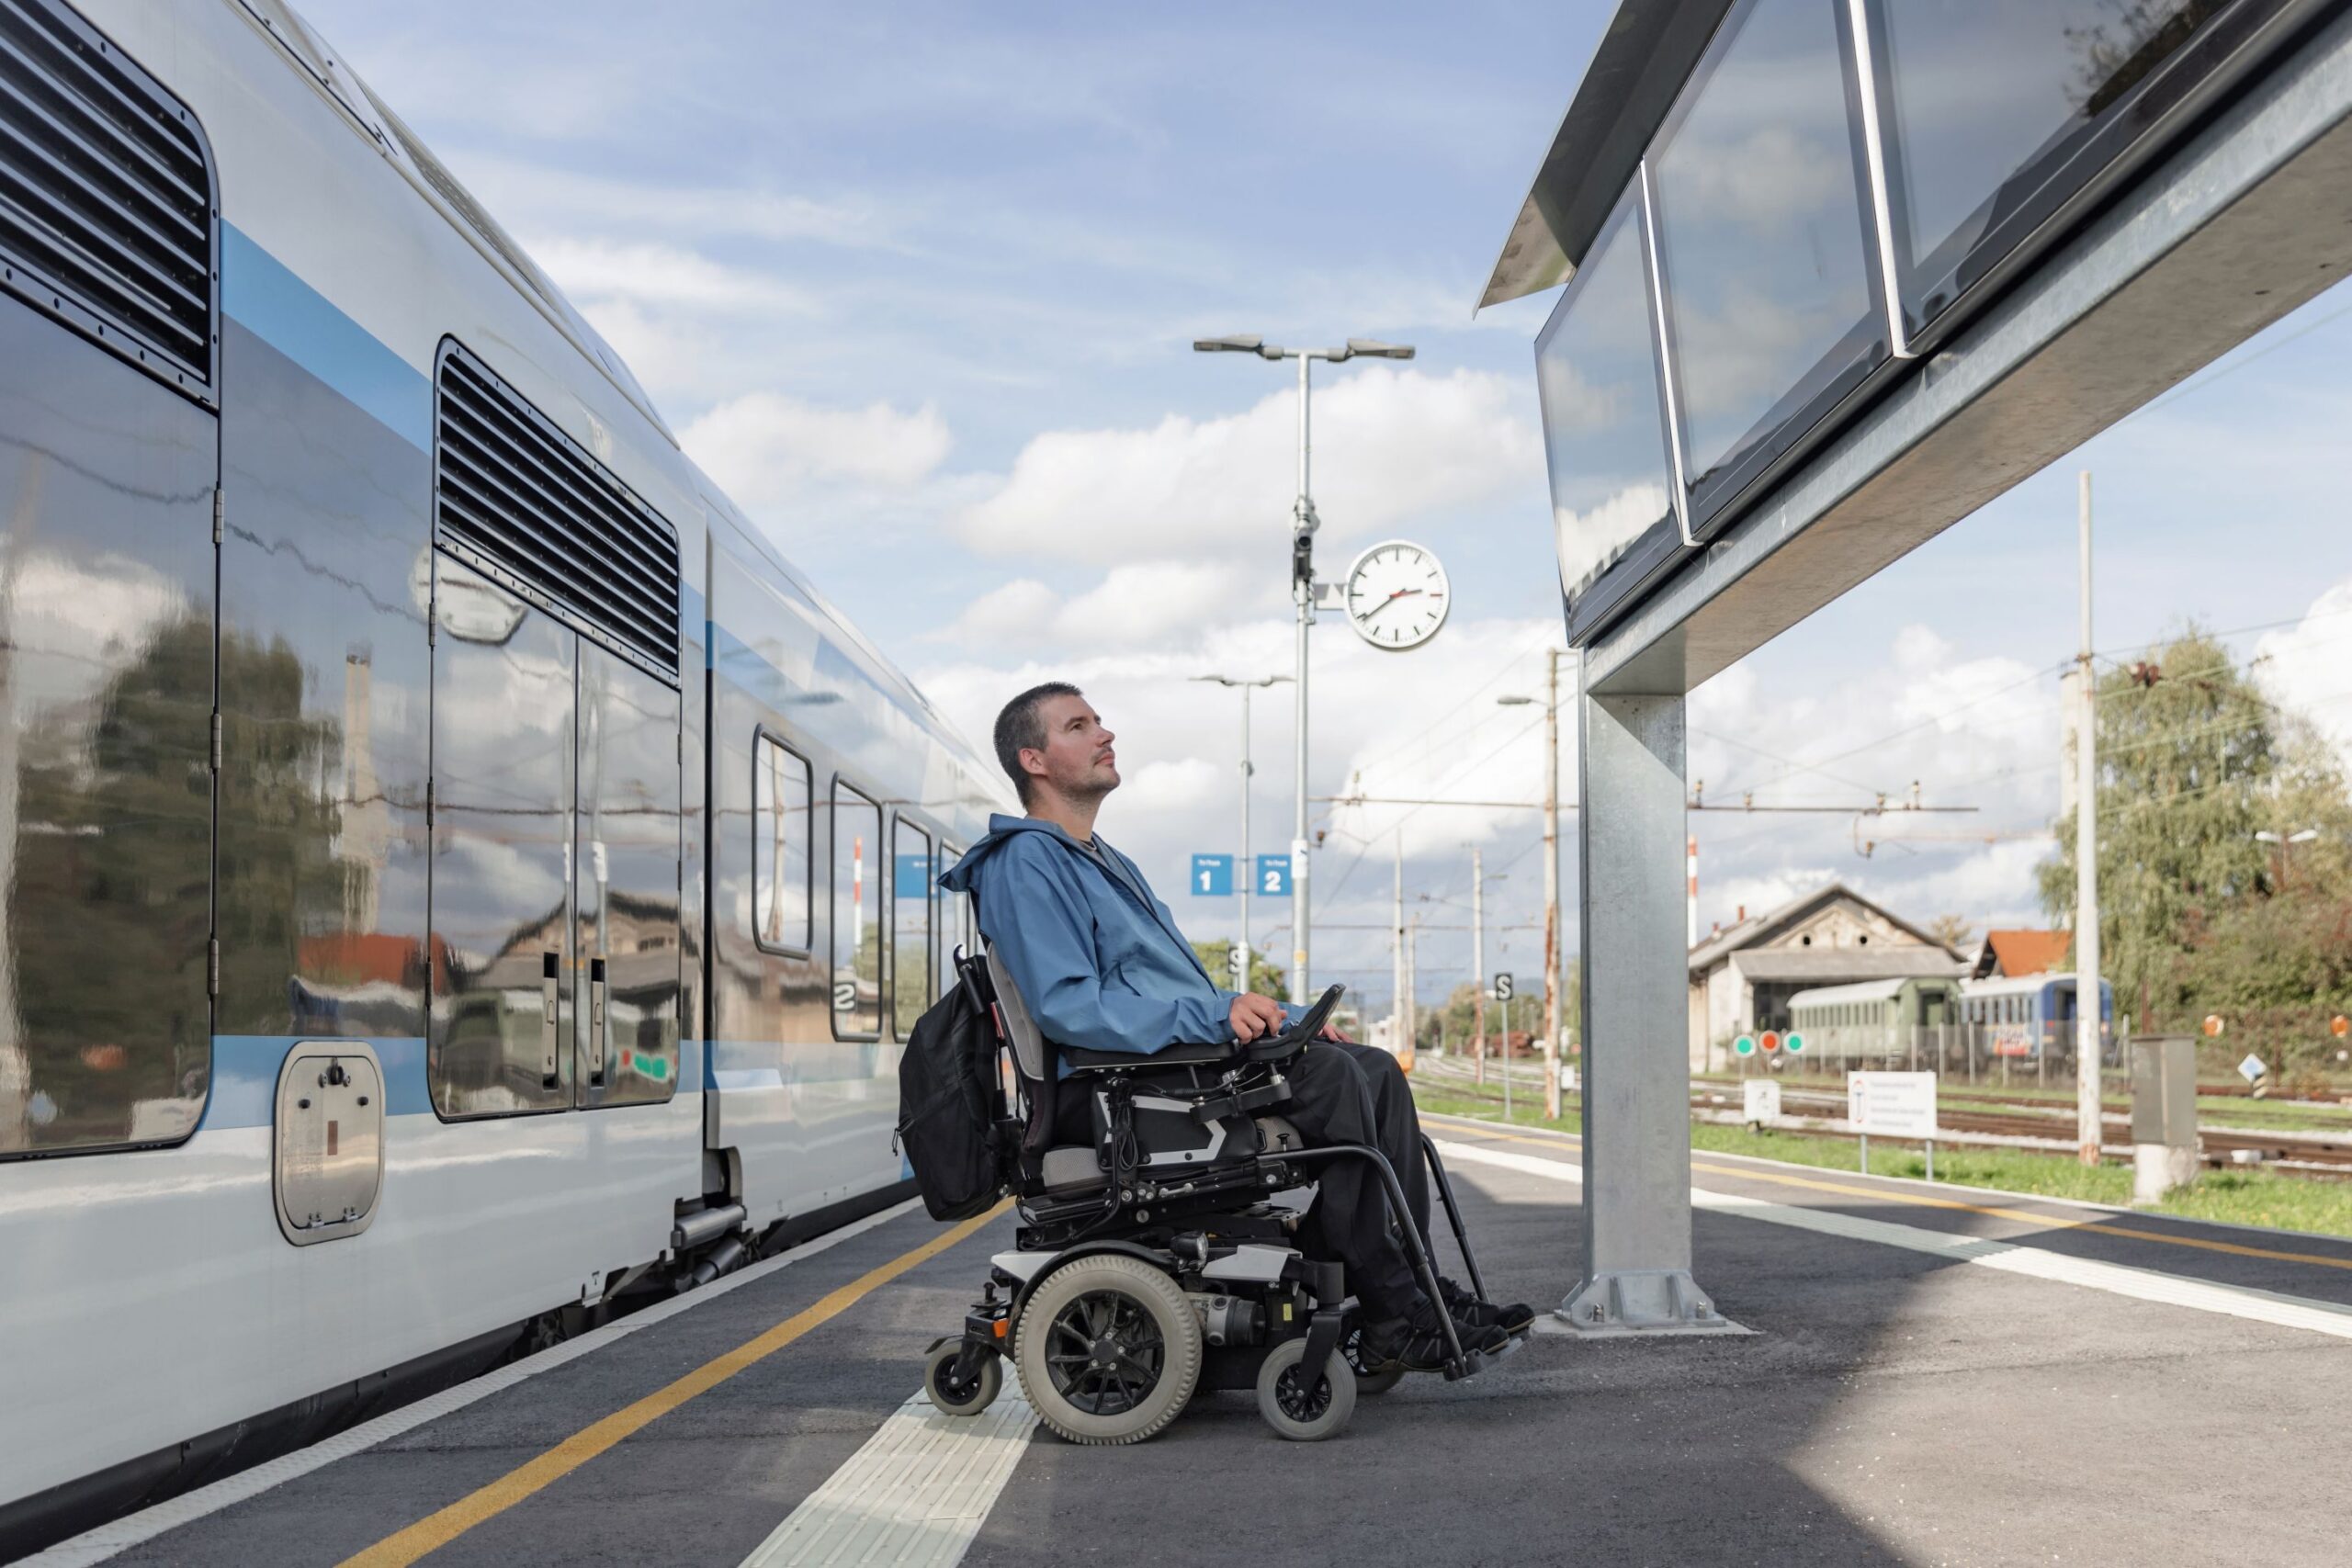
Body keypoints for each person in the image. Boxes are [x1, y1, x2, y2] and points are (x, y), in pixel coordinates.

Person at [939, 681, 1532, 1372]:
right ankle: (1395, 1305)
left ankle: (1411, 1288)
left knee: (1373, 1071)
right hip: (1111, 1091)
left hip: (1163, 1069)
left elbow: (1174, 989)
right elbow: (1070, 1006)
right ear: (1034, 760)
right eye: (1079, 725)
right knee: (1335, 1081)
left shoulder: (1105, 860)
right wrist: (1218, 1014)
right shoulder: (1026, 862)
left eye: (1100, 720)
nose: (1105, 734)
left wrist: (1282, 1025)